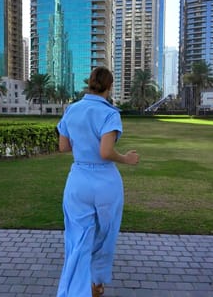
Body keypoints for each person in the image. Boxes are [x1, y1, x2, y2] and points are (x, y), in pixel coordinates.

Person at [56, 66, 140, 297]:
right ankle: (96, 283)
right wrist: (126, 159)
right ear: (110, 86)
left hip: (78, 181)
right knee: (105, 236)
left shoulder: (71, 110)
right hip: (105, 182)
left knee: (78, 239)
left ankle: (74, 290)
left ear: (89, 83)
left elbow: (63, 147)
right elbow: (105, 152)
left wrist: (82, 141)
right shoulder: (110, 113)